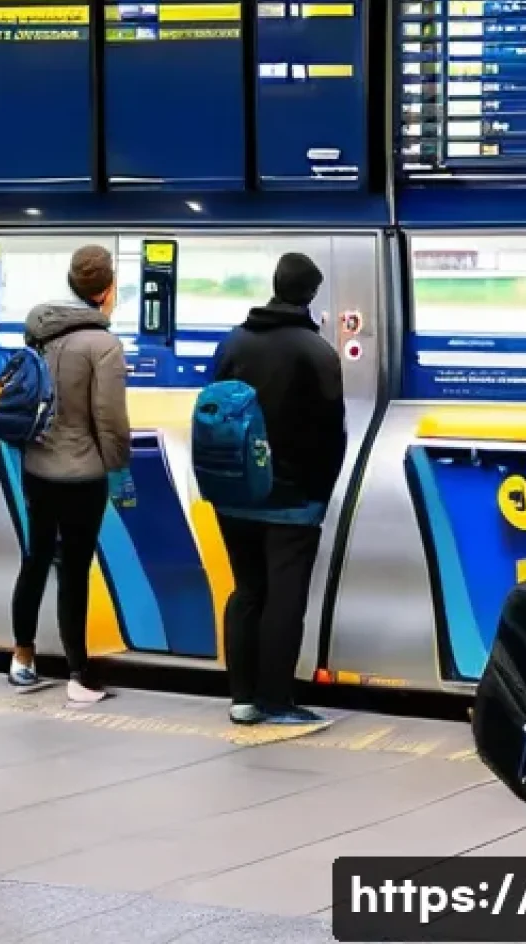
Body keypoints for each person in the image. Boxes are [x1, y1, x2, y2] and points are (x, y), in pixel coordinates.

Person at [212, 252, 346, 727]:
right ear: (310, 294)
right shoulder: (316, 352)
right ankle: (276, 699)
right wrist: (321, 491)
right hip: (292, 499)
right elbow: (332, 433)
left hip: (234, 493)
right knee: (285, 598)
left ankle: (241, 699)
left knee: (247, 591)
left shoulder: (234, 342)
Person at [8, 244, 130, 705]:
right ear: (107, 289)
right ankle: (78, 674)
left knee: (36, 556)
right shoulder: (104, 345)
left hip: (36, 466)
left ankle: (22, 658)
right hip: (82, 473)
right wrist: (118, 467)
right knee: (75, 569)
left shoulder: (39, 331)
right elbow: (110, 419)